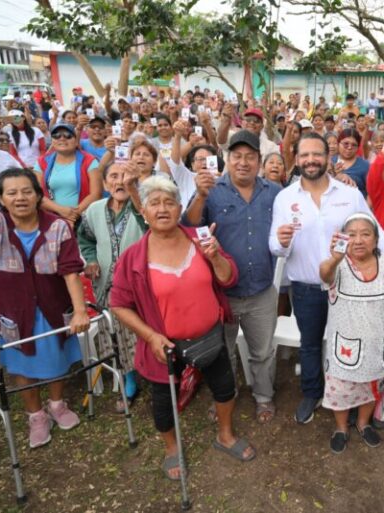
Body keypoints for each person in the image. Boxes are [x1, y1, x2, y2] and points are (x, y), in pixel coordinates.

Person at [110, 176, 255, 480]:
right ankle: (171, 449)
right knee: (163, 404)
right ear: (144, 211)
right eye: (154, 203)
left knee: (225, 387)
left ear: (179, 208)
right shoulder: (133, 257)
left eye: (169, 202)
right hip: (165, 347)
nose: (162, 209)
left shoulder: (199, 239)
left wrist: (215, 257)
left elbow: (229, 278)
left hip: (211, 337)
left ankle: (225, 435)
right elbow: (119, 304)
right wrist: (150, 336)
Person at [0, 167, 90, 448]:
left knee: (57, 357)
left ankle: (57, 404)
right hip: (14, 313)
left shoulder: (58, 226)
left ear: (39, 195)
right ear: (1, 199)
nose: (20, 198)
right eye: (12, 193)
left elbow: (70, 271)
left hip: (52, 308)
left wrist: (79, 310)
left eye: (27, 191)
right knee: (20, 364)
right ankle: (35, 415)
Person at [269, 132, 384, 425]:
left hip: (347, 286)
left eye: (317, 154)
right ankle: (312, 392)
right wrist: (280, 240)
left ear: (328, 157)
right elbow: (275, 247)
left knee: (352, 340)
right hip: (306, 287)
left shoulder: (349, 194)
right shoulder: (285, 198)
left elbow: (373, 228)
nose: (311, 160)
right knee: (311, 343)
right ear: (297, 159)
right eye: (304, 155)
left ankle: (356, 396)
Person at [184, 130, 282, 424]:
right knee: (222, 351)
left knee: (262, 351)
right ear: (226, 159)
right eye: (236, 156)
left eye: (250, 157)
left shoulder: (274, 192)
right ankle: (224, 397)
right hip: (221, 293)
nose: (243, 162)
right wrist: (200, 195)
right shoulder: (211, 189)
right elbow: (188, 226)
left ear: (259, 161)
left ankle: (263, 397)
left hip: (262, 291)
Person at [319, 214, 384, 453]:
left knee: (371, 387)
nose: (359, 240)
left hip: (377, 344)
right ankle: (341, 428)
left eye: (366, 234)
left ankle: (364, 424)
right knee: (340, 390)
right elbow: (324, 275)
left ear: (376, 240)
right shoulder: (337, 265)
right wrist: (333, 260)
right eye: (351, 234)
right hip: (344, 347)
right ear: (344, 239)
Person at [77, 161, 147, 412]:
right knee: (114, 331)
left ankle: (152, 369)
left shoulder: (142, 206)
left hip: (140, 283)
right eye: (114, 177)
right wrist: (92, 259)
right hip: (105, 283)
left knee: (143, 327)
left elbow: (151, 226)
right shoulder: (94, 210)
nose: (120, 181)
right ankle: (129, 378)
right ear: (105, 184)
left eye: (126, 176)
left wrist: (137, 193)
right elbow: (85, 238)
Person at [35, 124, 103, 225]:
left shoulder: (89, 160)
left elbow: (96, 194)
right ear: (52, 141)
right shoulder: (42, 162)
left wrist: (73, 216)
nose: (62, 138)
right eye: (56, 135)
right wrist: (61, 211)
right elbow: (37, 194)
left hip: (83, 219)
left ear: (76, 141)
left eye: (68, 135)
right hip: (50, 219)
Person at [333, 129, 370, 196]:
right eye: (346, 144)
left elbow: (371, 193)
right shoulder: (330, 162)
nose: (349, 147)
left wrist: (364, 206)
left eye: (354, 145)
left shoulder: (365, 166)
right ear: (338, 143)